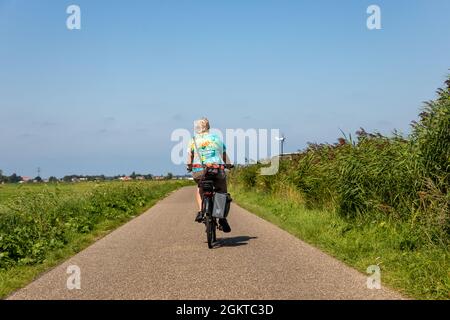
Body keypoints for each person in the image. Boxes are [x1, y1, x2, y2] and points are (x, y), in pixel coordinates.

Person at [186, 117, 232, 233]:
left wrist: (189, 166)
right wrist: (229, 165)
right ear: (208, 127)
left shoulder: (193, 140)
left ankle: (201, 211)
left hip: (199, 171)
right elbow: (224, 155)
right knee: (221, 190)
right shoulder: (216, 138)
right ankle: (221, 218)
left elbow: (189, 158)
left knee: (199, 188)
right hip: (216, 169)